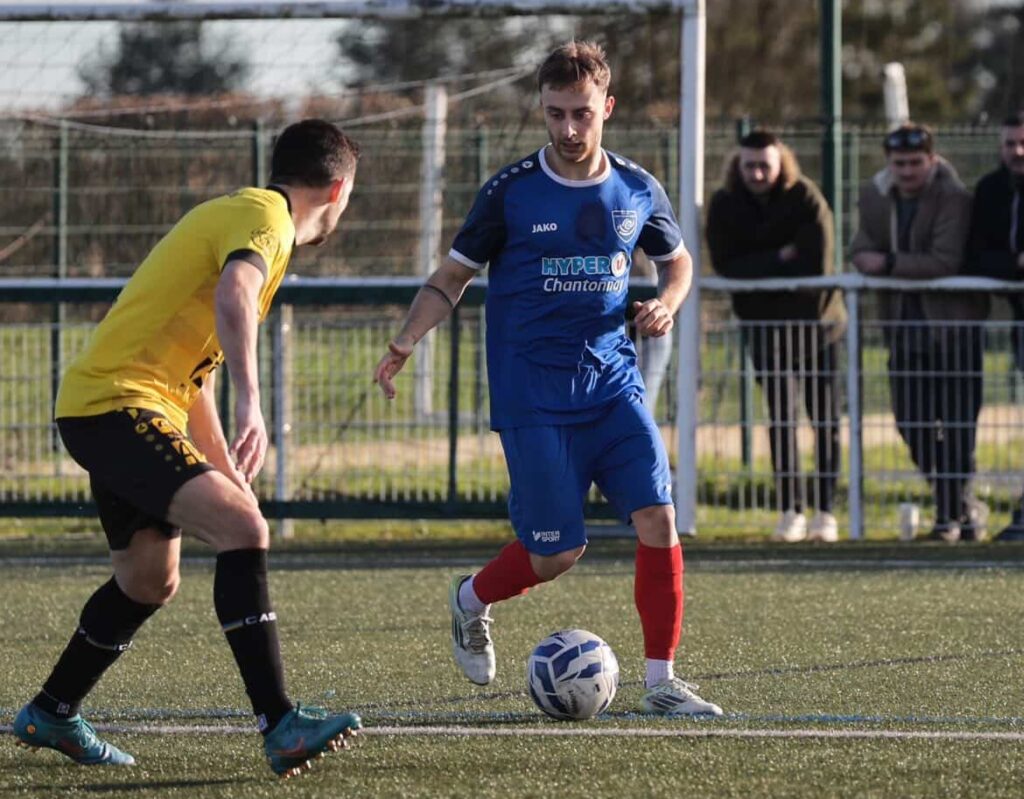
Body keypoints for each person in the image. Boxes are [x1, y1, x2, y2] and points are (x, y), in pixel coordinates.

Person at [374, 41, 721, 718]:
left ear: (607, 109)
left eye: (581, 114)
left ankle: (661, 682)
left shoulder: (637, 188)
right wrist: (407, 339)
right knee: (556, 553)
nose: (567, 129)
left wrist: (666, 303)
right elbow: (451, 278)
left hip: (614, 384)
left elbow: (677, 265)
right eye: (556, 113)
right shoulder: (511, 191)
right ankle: (470, 599)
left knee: (658, 514)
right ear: (542, 108)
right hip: (533, 394)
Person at [13, 119, 363, 778]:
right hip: (118, 405)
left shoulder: (239, 212)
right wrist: (253, 403)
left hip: (113, 405)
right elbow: (235, 294)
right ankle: (280, 722)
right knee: (242, 529)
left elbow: (189, 378)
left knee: (150, 578)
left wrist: (230, 472)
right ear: (339, 188)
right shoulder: (270, 218)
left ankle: (52, 710)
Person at [850, 123, 989, 542]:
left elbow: (944, 260)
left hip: (954, 329)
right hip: (903, 330)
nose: (907, 172)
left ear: (931, 160)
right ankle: (959, 508)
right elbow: (859, 248)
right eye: (899, 164)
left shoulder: (954, 197)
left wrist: (889, 263)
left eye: (915, 163)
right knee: (912, 423)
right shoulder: (875, 195)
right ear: (889, 163)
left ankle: (950, 515)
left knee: (959, 427)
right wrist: (872, 260)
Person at [706, 129, 846, 543]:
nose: (757, 173)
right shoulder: (726, 203)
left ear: (780, 162)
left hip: (820, 327)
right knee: (781, 418)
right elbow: (728, 266)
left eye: (764, 164)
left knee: (825, 420)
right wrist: (781, 256)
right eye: (749, 165)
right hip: (766, 331)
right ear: (739, 165)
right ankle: (790, 510)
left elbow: (815, 266)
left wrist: (762, 267)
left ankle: (825, 511)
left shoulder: (806, 197)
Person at [965, 112, 1024, 541]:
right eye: (1009, 143)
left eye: (1022, 143)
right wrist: (1015, 267)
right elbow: (975, 254)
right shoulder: (990, 190)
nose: (1016, 151)